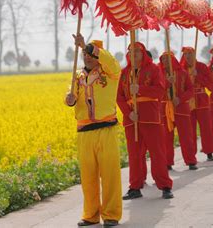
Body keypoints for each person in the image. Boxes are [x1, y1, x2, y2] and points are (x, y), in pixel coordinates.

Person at [65, 34, 122, 227]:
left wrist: (87, 45)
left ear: (98, 55)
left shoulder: (111, 72)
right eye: (84, 54)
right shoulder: (77, 76)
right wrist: (69, 99)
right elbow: (70, 97)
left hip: (106, 129)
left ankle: (111, 215)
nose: (87, 57)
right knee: (88, 176)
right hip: (84, 131)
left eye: (90, 54)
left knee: (110, 174)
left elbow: (109, 60)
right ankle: (90, 215)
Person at [117, 42, 174, 200]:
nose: (133, 55)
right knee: (134, 155)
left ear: (143, 53)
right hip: (132, 119)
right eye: (130, 51)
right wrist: (128, 114)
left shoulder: (154, 69)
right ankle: (135, 187)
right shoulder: (124, 73)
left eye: (137, 52)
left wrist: (140, 89)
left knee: (157, 153)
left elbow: (160, 91)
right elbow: (119, 97)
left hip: (150, 117)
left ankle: (165, 186)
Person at [159, 51, 198, 170]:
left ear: (173, 60)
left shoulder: (182, 73)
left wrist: (180, 99)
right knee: (166, 136)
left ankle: (191, 161)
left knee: (186, 136)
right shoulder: (159, 74)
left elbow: (190, 90)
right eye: (163, 59)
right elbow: (157, 90)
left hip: (181, 108)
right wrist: (167, 83)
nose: (164, 62)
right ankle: (168, 162)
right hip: (165, 108)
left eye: (167, 59)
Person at [180, 47, 213, 162]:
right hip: (188, 102)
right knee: (190, 131)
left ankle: (209, 152)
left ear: (194, 54)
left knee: (206, 128)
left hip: (201, 100)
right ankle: (192, 156)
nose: (188, 56)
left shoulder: (202, 67)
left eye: (190, 53)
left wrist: (198, 75)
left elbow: (211, 85)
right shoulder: (181, 69)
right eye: (185, 54)